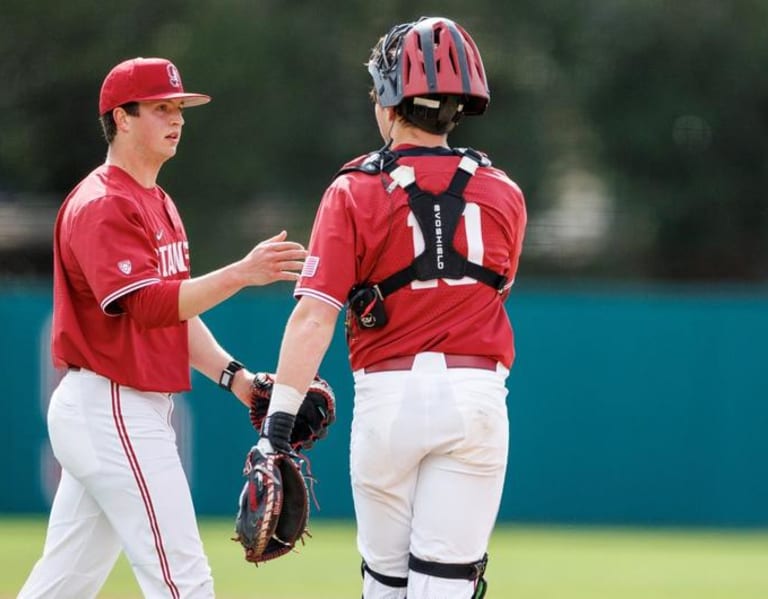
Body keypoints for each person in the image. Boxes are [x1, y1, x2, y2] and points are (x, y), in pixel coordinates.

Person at [255, 16, 527, 599]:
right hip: (475, 398)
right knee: (447, 586)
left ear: (387, 99)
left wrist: (275, 431)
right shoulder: (505, 192)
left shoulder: (353, 189)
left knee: (386, 586)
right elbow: (490, 293)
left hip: (389, 399)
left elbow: (314, 316)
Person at [18, 57, 307, 598]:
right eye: (160, 108)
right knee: (182, 579)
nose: (176, 119)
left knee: (62, 585)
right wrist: (242, 273)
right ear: (121, 118)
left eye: (179, 108)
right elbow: (150, 306)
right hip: (112, 406)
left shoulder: (157, 200)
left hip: (120, 409)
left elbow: (176, 313)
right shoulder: (104, 203)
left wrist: (237, 378)